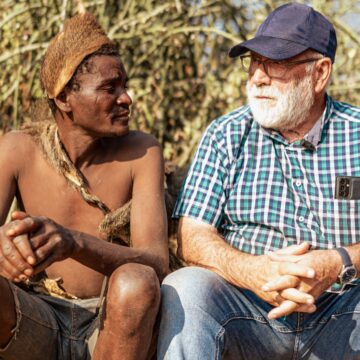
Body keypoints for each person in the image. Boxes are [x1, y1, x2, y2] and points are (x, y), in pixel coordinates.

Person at [158, 3, 360, 359]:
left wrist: (338, 262)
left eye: (277, 63)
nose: (258, 77)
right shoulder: (225, 133)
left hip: (344, 311)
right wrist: (254, 271)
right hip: (248, 311)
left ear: (320, 73)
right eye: (254, 61)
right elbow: (191, 237)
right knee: (184, 287)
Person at [0, 12, 168, 360]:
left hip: (109, 324)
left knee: (137, 282)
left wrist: (73, 242)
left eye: (124, 85)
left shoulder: (143, 152)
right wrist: (6, 252)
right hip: (34, 319)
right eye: (110, 88)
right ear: (64, 99)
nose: (127, 98)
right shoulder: (18, 149)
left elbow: (156, 263)